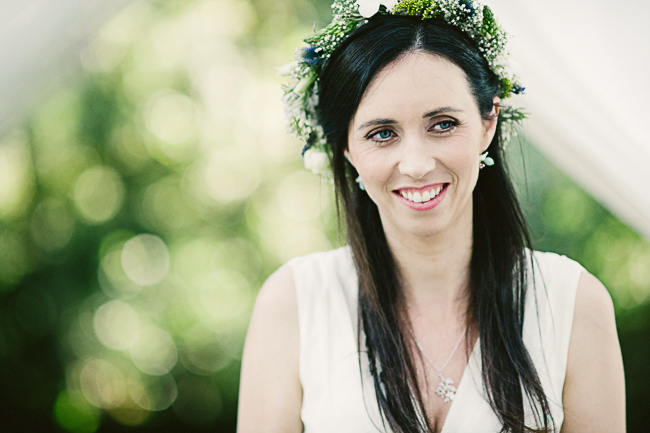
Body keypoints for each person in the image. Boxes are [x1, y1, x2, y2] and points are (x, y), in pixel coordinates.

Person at [236, 1, 625, 432]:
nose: (416, 164)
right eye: (382, 134)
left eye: (442, 124)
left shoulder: (574, 304)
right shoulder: (293, 305)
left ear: (487, 124)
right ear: (346, 148)